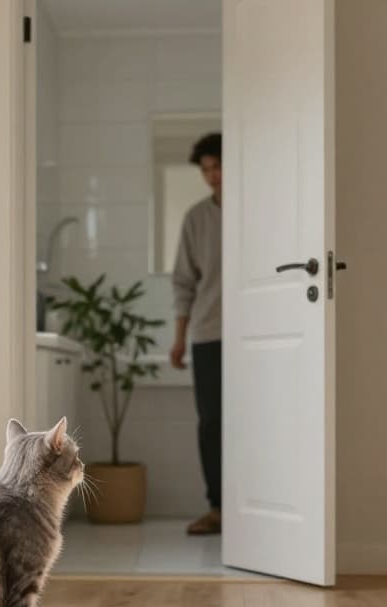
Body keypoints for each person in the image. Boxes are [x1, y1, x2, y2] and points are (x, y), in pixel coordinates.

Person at [169, 132, 223, 536]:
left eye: (218, 166)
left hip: (258, 335)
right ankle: (218, 507)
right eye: (206, 169)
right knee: (211, 423)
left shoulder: (259, 209)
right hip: (208, 333)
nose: (212, 176)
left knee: (259, 421)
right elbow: (184, 282)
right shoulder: (196, 219)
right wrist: (179, 337)